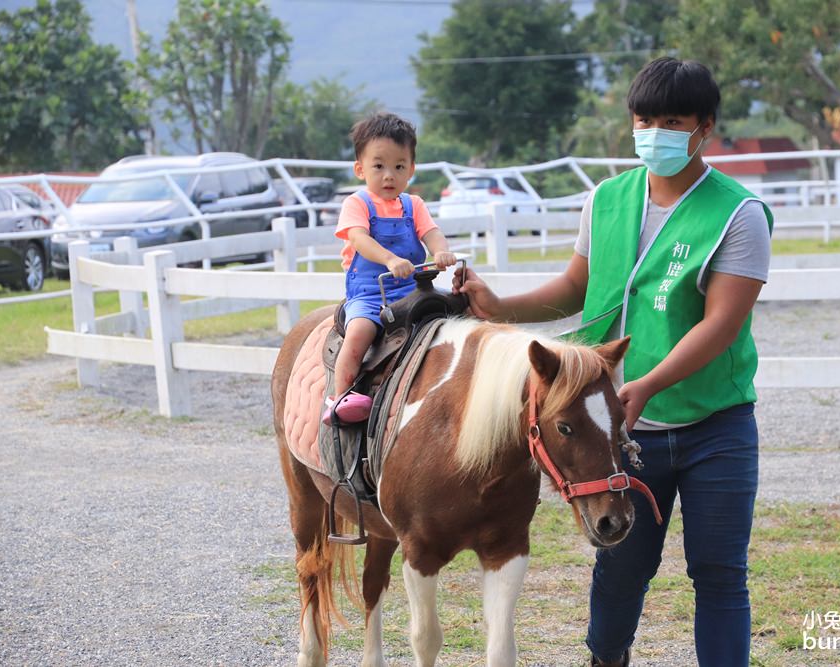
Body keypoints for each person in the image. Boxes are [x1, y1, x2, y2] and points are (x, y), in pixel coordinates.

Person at [453, 57, 773, 666]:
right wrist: (501, 306)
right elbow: (577, 287)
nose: (654, 132)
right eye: (644, 118)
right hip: (615, 427)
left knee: (719, 571)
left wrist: (647, 384)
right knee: (621, 568)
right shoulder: (606, 200)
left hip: (716, 426)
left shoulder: (739, 214)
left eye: (672, 120)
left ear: (706, 127)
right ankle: (606, 657)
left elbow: (722, 323)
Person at [325, 112, 457, 424]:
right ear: (360, 169)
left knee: (459, 315)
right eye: (379, 166)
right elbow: (358, 239)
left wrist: (441, 251)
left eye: (399, 166)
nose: (389, 175)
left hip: (412, 289)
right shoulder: (357, 204)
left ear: (410, 169)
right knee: (359, 332)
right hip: (372, 294)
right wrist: (390, 259)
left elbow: (431, 233)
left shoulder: (414, 206)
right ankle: (340, 396)